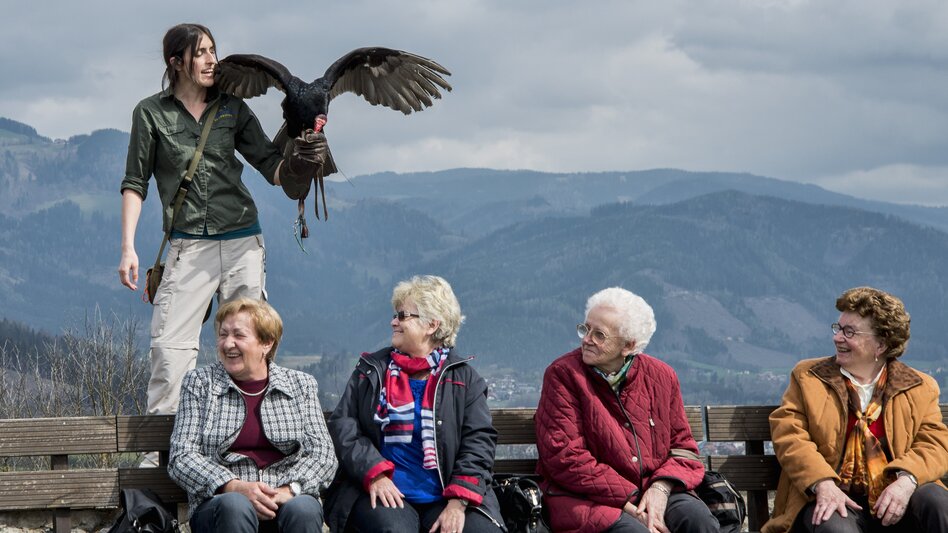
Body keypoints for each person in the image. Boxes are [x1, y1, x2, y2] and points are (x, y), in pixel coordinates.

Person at [117, 23, 327, 419]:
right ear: (176, 62)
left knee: (248, 348)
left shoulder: (232, 107)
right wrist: (128, 247)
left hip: (242, 241)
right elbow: (134, 182)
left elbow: (271, 166)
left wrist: (299, 162)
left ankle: (249, 441)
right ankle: (161, 456)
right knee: (169, 350)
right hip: (186, 245)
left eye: (214, 50)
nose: (213, 60)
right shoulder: (150, 113)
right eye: (201, 53)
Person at [324, 275, 504, 533]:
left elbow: (479, 442)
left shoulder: (465, 380)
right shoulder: (371, 371)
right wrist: (374, 473)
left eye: (402, 315)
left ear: (431, 325)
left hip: (447, 496)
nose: (393, 322)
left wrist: (457, 502)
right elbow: (344, 425)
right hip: (384, 490)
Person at [764, 286, 948, 533]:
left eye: (849, 332)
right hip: (833, 498)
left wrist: (906, 482)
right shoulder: (809, 378)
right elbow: (789, 435)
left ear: (880, 344)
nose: (837, 337)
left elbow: (935, 444)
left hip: (896, 501)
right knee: (834, 526)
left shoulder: (919, 387)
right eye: (838, 328)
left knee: (937, 503)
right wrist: (822, 483)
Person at [536, 287, 719, 533]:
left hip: (653, 487)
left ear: (628, 345)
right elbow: (565, 456)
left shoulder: (662, 377)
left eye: (599, 334)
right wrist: (630, 501)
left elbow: (683, 449)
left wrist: (660, 488)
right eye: (586, 328)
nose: (586, 339)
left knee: (698, 522)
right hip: (585, 497)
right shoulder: (563, 375)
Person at [168, 298, 337, 533]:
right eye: (223, 334)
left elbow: (323, 455)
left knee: (303, 509)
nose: (228, 344)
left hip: (286, 500)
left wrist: (288, 490)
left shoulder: (300, 385)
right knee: (235, 507)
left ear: (267, 342)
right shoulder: (200, 384)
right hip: (222, 505)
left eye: (239, 335)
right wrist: (232, 486)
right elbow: (182, 456)